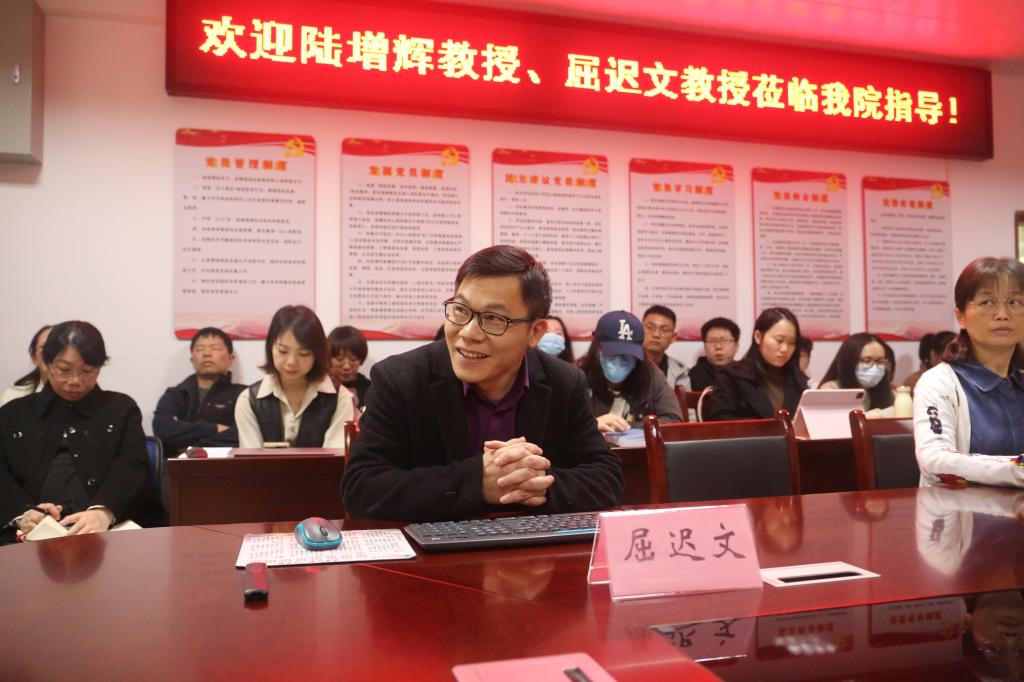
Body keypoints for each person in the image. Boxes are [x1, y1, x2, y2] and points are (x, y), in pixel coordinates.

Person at [342, 245, 623, 521]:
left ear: (535, 332)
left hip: (531, 547)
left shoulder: (564, 383)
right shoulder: (399, 380)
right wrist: (476, 482)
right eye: (460, 310)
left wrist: (538, 483)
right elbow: (362, 488)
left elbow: (606, 478)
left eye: (493, 318)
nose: (468, 333)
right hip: (430, 549)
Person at [0, 321, 156, 541]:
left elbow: (132, 465)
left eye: (87, 371)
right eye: (64, 370)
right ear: (46, 363)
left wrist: (103, 511)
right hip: (30, 531)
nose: (75, 381)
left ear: (100, 367)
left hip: (108, 529)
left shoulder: (121, 408)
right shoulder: (14, 413)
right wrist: (23, 512)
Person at [914, 257, 1024, 488]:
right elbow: (935, 462)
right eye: (987, 302)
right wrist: (1017, 469)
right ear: (960, 316)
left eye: (1015, 302)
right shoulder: (939, 382)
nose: (1002, 314)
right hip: (961, 509)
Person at [234, 305, 355, 449]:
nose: (291, 362)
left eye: (303, 353)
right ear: (270, 347)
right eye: (283, 351)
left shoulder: (340, 398)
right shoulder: (249, 400)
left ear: (317, 354)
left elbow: (335, 458)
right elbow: (251, 459)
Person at [582, 310, 682, 432]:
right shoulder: (577, 376)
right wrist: (592, 425)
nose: (618, 362)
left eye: (627, 356)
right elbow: (564, 425)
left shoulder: (651, 375)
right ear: (597, 348)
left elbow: (673, 421)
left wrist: (628, 427)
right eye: (612, 354)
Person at [152, 327, 247, 454]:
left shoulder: (243, 395)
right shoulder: (175, 395)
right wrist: (214, 428)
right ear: (192, 359)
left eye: (215, 348)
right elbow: (162, 429)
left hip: (227, 464)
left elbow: (242, 436)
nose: (207, 353)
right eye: (200, 349)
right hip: (177, 465)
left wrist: (189, 447)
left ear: (231, 359)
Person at [706, 308, 807, 421]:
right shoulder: (730, 376)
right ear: (758, 337)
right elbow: (721, 420)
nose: (785, 349)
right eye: (779, 340)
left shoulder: (798, 380)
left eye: (792, 343)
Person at [818, 332, 897, 415]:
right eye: (867, 360)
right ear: (849, 361)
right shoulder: (831, 390)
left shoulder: (891, 394)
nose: (875, 367)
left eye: (880, 361)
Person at [0, 325, 52, 407]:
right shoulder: (12, 397)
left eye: (59, 348)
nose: (51, 353)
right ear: (33, 357)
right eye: (43, 347)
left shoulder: (73, 396)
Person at [641, 305, 690, 389]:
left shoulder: (681, 372)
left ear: (673, 337)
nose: (656, 334)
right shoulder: (625, 364)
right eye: (650, 328)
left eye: (664, 330)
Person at [689, 317, 740, 392]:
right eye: (712, 341)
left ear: (736, 346)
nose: (718, 346)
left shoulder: (744, 375)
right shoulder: (693, 376)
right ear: (705, 347)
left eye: (724, 340)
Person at [328, 325, 372, 409]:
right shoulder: (322, 387)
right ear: (328, 358)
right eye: (340, 359)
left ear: (361, 359)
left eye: (353, 359)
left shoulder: (370, 390)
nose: (346, 366)